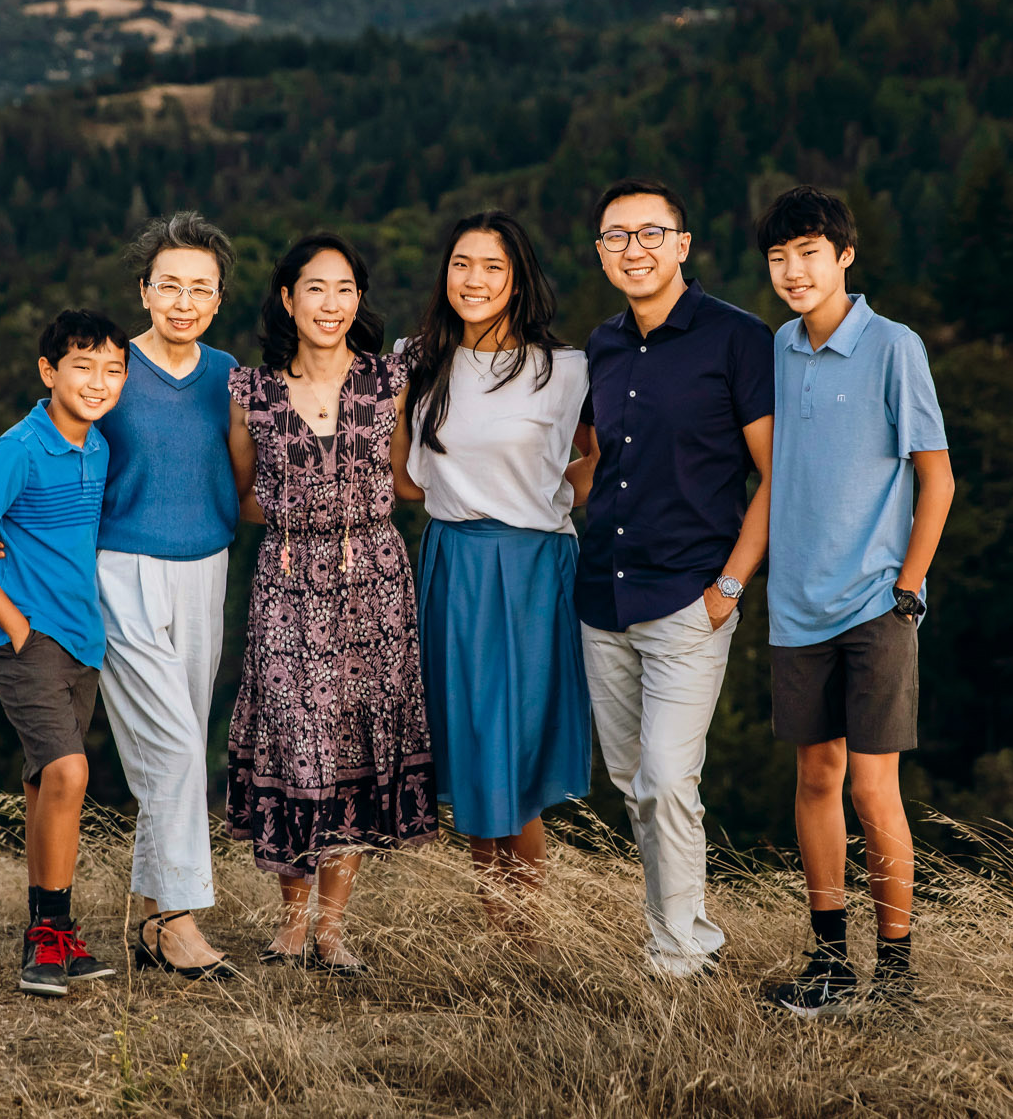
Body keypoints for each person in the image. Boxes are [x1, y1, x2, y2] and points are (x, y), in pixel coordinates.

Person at [752, 185, 953, 1016]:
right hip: (796, 604)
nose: (793, 272)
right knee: (815, 777)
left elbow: (936, 477)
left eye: (809, 254)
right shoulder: (777, 348)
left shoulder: (894, 346)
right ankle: (831, 965)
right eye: (778, 258)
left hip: (876, 603)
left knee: (875, 789)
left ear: (844, 257)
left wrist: (907, 590)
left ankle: (897, 980)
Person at [573, 178, 774, 978]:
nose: (634, 249)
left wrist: (730, 586)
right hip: (602, 594)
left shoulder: (736, 337)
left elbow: (776, 473)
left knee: (665, 776)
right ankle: (686, 932)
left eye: (651, 233)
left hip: (691, 594)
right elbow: (593, 467)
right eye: (617, 236)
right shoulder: (602, 344)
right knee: (635, 782)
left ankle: (677, 956)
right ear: (600, 252)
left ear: (683, 244)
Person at [225, 233, 436, 973]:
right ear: (287, 298)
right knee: (291, 740)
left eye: (345, 288)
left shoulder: (388, 380)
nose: (332, 303)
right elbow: (241, 494)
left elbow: (408, 477)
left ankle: (332, 929)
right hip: (285, 580)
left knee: (352, 743)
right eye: (316, 287)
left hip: (373, 577)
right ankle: (289, 921)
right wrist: (302, 524)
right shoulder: (249, 391)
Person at [395, 210, 592, 925]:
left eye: (492, 267)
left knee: (517, 750)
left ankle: (527, 933)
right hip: (455, 563)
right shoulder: (418, 358)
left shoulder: (565, 369)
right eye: (461, 264)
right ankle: (494, 924)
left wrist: (554, 493)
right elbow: (404, 478)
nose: (473, 279)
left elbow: (600, 456)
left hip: (535, 568)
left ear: (518, 280)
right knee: (476, 748)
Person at [0, 308, 130, 997]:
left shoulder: (100, 446)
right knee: (71, 771)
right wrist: (15, 625)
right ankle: (47, 935)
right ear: (49, 371)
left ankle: (53, 930)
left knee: (47, 783)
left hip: (83, 638)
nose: (99, 380)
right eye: (83, 366)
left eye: (113, 369)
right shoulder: (16, 449)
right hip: (28, 639)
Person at [90, 212, 242, 978]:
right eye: (169, 285)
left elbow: (248, 476)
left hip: (206, 567)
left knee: (172, 744)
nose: (184, 300)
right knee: (178, 748)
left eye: (201, 289)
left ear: (218, 301)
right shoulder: (109, 366)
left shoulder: (229, 375)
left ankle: (150, 922)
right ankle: (181, 923)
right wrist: (2, 524)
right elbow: (50, 447)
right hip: (120, 569)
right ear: (144, 291)